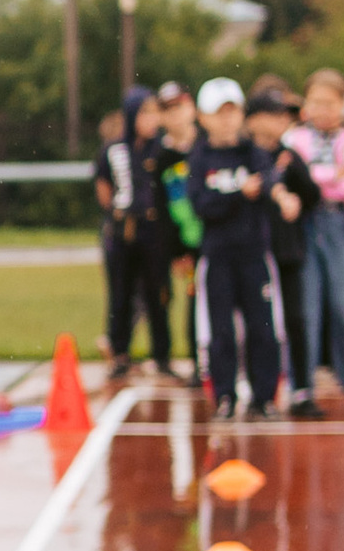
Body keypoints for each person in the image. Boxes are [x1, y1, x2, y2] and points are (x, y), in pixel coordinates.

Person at [187, 77, 289, 420]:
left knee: (262, 327)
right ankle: (225, 394)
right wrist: (237, 195)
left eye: (233, 112)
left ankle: (264, 396)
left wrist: (279, 195)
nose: (227, 120)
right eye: (219, 113)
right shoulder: (200, 158)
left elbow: (269, 180)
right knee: (221, 331)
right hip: (218, 256)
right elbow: (201, 205)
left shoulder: (253, 152)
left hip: (253, 254)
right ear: (204, 118)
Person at [284, 69, 344, 405]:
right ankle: (301, 383)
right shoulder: (292, 139)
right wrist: (331, 179)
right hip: (304, 229)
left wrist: (317, 182)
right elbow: (292, 180)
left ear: (343, 104)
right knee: (304, 307)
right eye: (316, 102)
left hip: (341, 227)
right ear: (305, 105)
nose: (323, 110)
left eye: (330, 103)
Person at [94, 86, 176, 380]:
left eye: (155, 112)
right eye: (145, 112)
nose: (151, 119)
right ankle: (120, 353)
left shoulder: (163, 148)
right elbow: (103, 185)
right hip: (123, 231)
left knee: (158, 293)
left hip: (154, 229)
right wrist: (115, 216)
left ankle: (162, 355)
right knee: (121, 293)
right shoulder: (114, 148)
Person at [244, 82, 314, 412]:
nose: (281, 121)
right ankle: (260, 389)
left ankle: (301, 389)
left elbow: (313, 195)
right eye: (273, 115)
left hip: (286, 251)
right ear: (254, 120)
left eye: (284, 116)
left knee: (295, 320)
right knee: (258, 325)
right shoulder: (243, 157)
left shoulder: (289, 156)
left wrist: (295, 187)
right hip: (252, 253)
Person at [154, 81, 203, 381]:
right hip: (185, 241)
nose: (175, 116)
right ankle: (199, 361)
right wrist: (175, 251)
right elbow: (160, 208)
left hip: (216, 236)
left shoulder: (207, 145)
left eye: (179, 107)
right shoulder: (160, 157)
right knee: (194, 299)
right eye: (167, 110)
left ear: (192, 108)